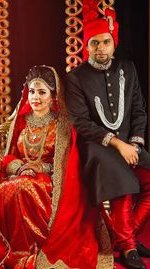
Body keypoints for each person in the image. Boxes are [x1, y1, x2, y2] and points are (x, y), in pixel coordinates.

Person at [0, 65, 113, 269]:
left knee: (22, 188)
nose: (35, 97)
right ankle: (15, 248)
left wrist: (39, 169)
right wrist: (20, 167)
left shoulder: (62, 125)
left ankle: (28, 249)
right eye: (32, 91)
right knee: (2, 191)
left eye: (41, 92)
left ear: (53, 96)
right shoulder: (21, 121)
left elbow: (66, 163)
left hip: (50, 184)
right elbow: (10, 154)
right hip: (20, 176)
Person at [65, 5, 150, 269]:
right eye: (94, 43)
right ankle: (127, 249)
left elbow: (138, 109)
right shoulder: (76, 77)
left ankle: (127, 237)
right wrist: (117, 144)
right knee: (122, 179)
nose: (100, 48)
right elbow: (81, 122)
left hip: (129, 144)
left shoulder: (129, 68)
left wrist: (135, 142)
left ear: (114, 44)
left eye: (105, 42)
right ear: (86, 46)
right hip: (96, 148)